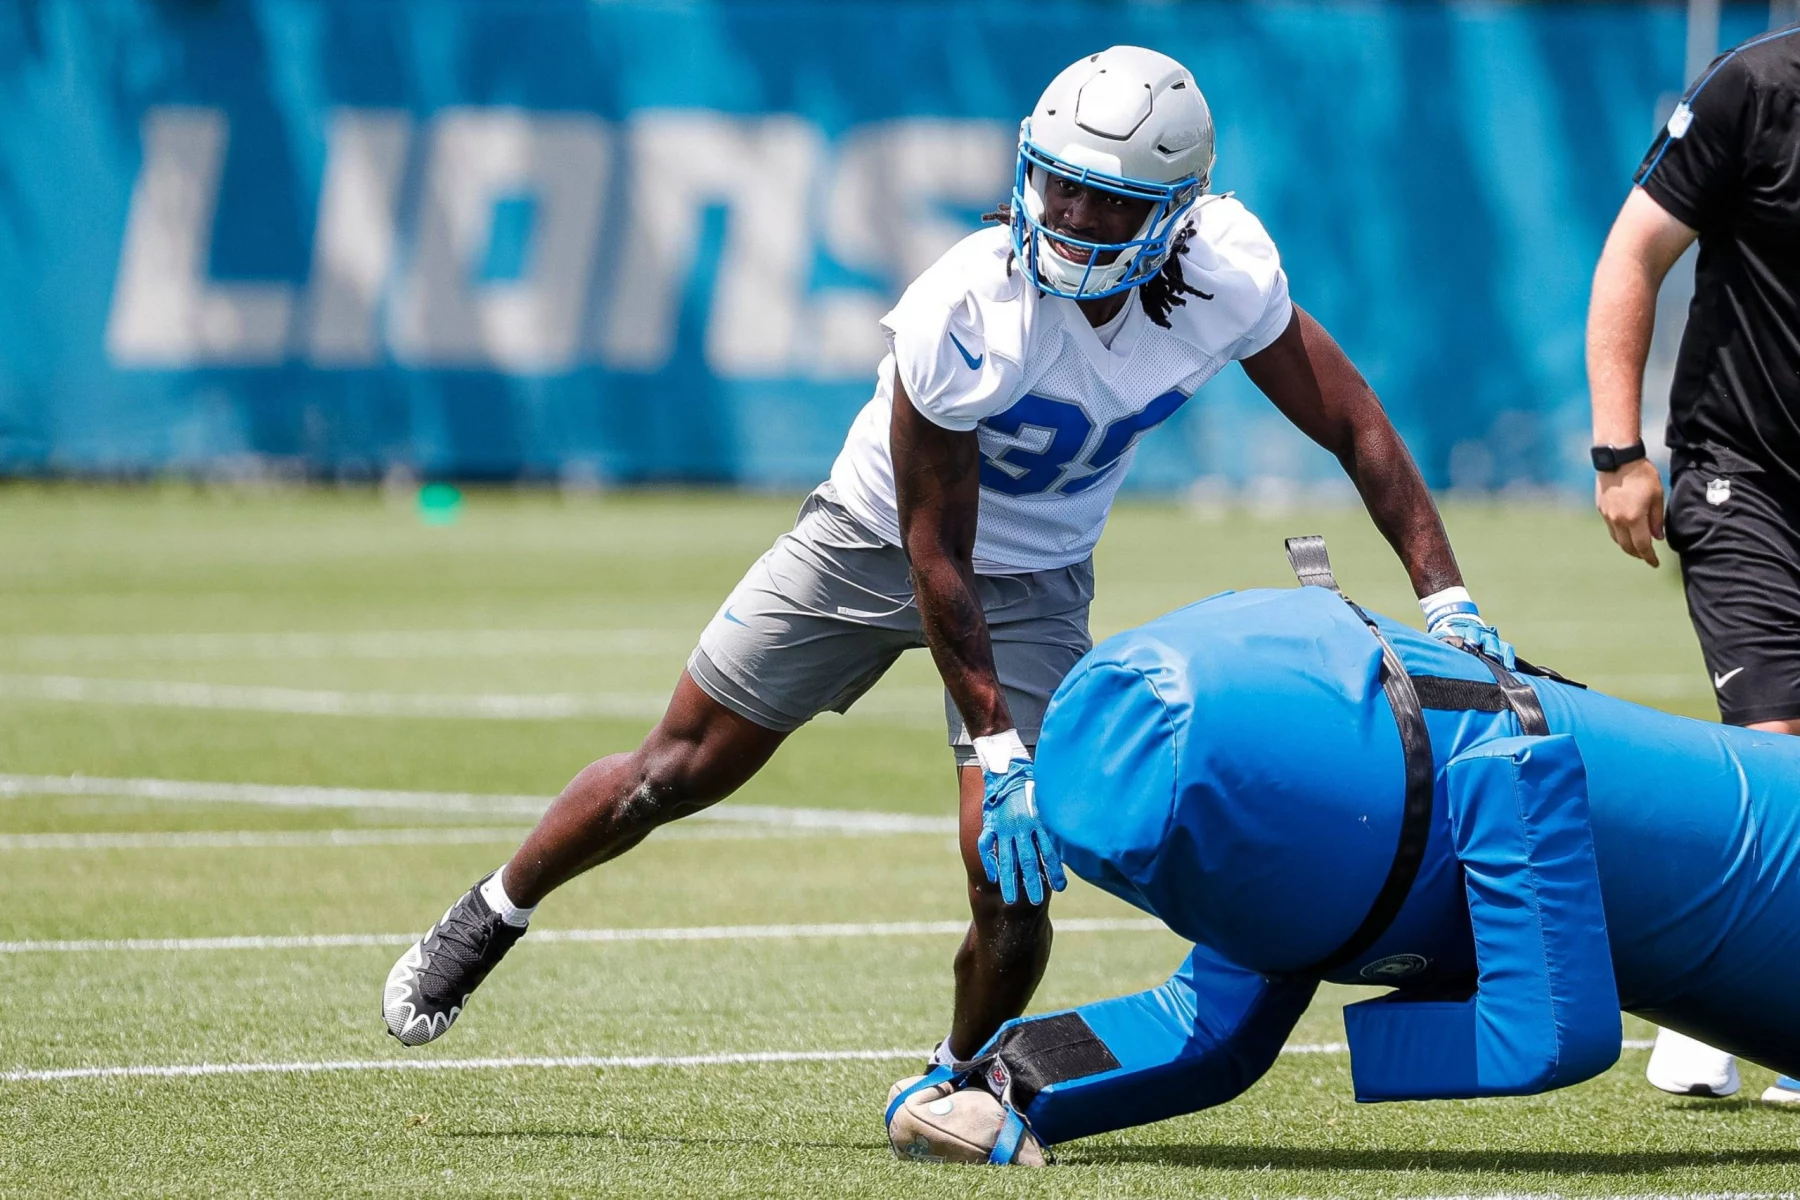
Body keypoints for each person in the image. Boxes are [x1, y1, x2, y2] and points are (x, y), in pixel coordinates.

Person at [382, 46, 1504, 1068]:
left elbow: (1355, 426)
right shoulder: (967, 305)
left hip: (1039, 580)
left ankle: (957, 1080)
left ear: (1178, 213)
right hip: (874, 538)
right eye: (1055, 180)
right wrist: (1000, 743)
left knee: (1012, 879)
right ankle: (495, 907)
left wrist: (1444, 596)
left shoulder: (1227, 273)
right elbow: (937, 554)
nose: (1066, 213)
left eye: (1104, 199)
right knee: (672, 771)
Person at [887, 563, 1800, 1165]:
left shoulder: (1309, 822)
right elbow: (1205, 1031)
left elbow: (1556, 1034)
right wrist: (1004, 1086)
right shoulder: (1287, 842)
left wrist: (1384, 1037)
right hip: (1364, 814)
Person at [1585, 22, 1800, 1104]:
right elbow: (1634, 254)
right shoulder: (1754, 88)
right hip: (1741, 477)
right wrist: (1619, 450)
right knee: (1780, 755)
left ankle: (1721, 1011)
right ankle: (1716, 1000)